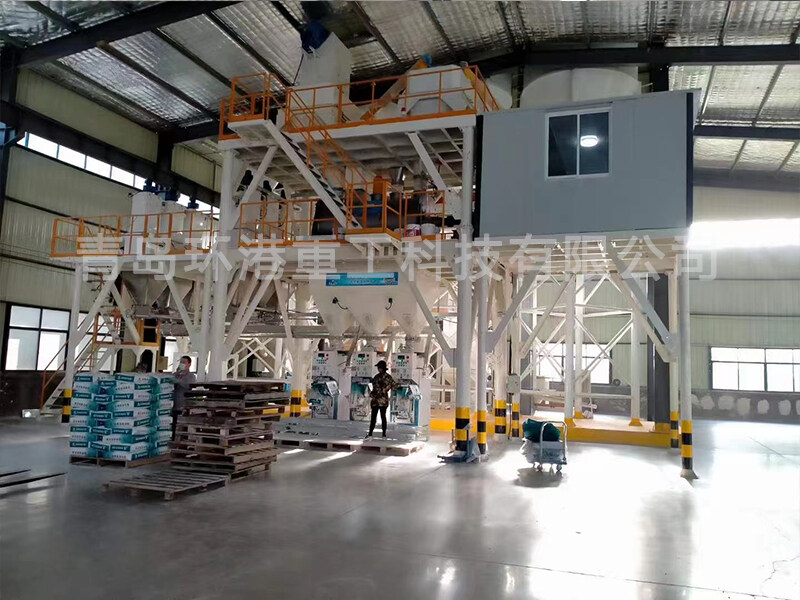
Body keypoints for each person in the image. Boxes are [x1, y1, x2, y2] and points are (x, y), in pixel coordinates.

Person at [367, 360, 395, 439]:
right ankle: (384, 434)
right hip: (383, 401)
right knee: (383, 417)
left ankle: (370, 434)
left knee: (373, 417)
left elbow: (374, 388)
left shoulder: (376, 377)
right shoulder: (389, 377)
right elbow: (393, 387)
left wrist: (371, 394)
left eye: (379, 367)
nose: (378, 369)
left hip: (375, 400)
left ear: (380, 368)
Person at [172, 355, 196, 439]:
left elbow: (188, 385)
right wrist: (176, 375)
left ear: (189, 364)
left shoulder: (191, 376)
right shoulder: (176, 374)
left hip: (183, 405)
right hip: (174, 405)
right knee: (173, 425)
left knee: (182, 427)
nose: (182, 364)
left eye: (184, 362)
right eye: (181, 362)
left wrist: (178, 381)